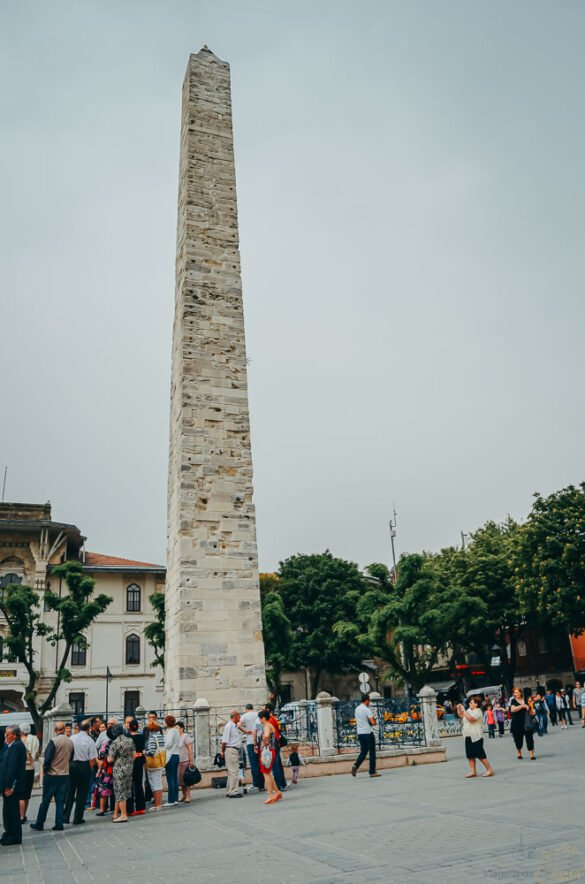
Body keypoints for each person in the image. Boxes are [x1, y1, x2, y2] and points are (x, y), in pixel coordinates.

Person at [30, 721, 73, 832]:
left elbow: (48, 758)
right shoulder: (70, 742)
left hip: (52, 775)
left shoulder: (53, 741)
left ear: (55, 730)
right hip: (64, 774)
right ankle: (59, 823)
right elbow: (71, 757)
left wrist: (45, 770)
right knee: (60, 801)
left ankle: (40, 823)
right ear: (64, 729)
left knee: (45, 800)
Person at [64, 719, 97, 825]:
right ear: (89, 728)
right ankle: (77, 817)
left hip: (72, 765)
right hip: (84, 766)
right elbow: (92, 759)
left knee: (70, 792)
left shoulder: (72, 738)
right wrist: (90, 770)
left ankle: (65, 816)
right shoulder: (90, 740)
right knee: (82, 793)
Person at [0, 726, 26, 845]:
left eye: (8, 735)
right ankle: (9, 833)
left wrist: (9, 786)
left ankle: (13, 835)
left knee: (11, 812)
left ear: (14, 735)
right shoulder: (15, 745)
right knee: (8, 811)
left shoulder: (16, 746)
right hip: (10, 785)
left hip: (11, 786)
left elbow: (13, 768)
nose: (6, 738)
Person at [457, 698, 495, 778]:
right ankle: (473, 771)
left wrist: (464, 710)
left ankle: (489, 769)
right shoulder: (469, 711)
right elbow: (461, 715)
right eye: (470, 703)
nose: (470, 704)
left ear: (476, 704)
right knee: (470, 755)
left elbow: (471, 719)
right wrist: (459, 708)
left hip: (476, 736)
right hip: (468, 735)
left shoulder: (478, 711)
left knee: (480, 754)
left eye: (471, 703)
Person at [108, 723, 135, 823]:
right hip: (129, 768)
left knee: (119, 792)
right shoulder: (130, 740)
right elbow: (134, 755)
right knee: (123, 791)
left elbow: (110, 759)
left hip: (119, 769)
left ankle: (123, 815)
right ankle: (116, 813)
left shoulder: (115, 743)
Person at [351, 694, 381, 779]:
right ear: (367, 700)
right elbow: (373, 722)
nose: (369, 702)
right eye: (369, 701)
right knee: (372, 752)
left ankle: (356, 766)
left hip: (360, 733)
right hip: (368, 733)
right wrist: (372, 721)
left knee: (363, 752)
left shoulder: (357, 709)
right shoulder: (367, 709)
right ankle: (372, 771)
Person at [258, 709, 282, 805]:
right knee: (268, 773)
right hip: (270, 750)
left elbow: (266, 736)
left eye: (260, 718)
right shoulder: (269, 725)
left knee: (266, 773)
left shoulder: (267, 726)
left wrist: (264, 742)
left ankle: (270, 795)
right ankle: (277, 792)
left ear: (263, 718)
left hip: (266, 751)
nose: (259, 720)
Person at [264, 703, 287, 791]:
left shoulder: (269, 720)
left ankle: (278, 785)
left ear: (267, 710)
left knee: (275, 765)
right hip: (276, 741)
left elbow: (269, 733)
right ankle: (282, 783)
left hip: (273, 742)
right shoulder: (273, 718)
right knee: (278, 764)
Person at [19, 723, 39, 822]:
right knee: (27, 794)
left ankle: (21, 816)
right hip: (31, 768)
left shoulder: (20, 742)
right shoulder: (34, 740)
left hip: (22, 768)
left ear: (21, 731)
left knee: (21, 794)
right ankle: (24, 814)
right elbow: (36, 754)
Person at [145, 719, 166, 811]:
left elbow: (152, 751)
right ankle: (159, 804)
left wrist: (145, 752)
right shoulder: (161, 736)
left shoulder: (153, 738)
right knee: (159, 783)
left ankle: (157, 804)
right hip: (160, 762)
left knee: (154, 784)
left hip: (153, 764)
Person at [509, 687, 536, 760]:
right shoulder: (513, 701)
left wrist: (532, 713)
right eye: (515, 692)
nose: (516, 694)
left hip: (526, 723)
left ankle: (531, 754)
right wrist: (523, 706)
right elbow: (513, 709)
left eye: (517, 692)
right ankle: (519, 751)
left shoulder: (526, 700)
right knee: (518, 739)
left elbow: (531, 711)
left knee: (529, 738)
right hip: (517, 723)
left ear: (521, 693)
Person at [221, 710, 243, 798]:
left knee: (231, 772)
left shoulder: (234, 726)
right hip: (231, 750)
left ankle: (229, 790)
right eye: (239, 716)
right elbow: (224, 741)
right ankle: (233, 791)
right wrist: (222, 751)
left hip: (233, 750)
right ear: (235, 716)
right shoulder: (229, 726)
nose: (240, 717)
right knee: (234, 771)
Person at [241, 704, 262, 792]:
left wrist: (246, 731)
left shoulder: (245, 716)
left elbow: (238, 725)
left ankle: (256, 783)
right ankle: (262, 784)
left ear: (246, 709)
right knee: (260, 763)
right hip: (258, 740)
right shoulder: (257, 715)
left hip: (250, 741)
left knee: (253, 764)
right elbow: (259, 728)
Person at [127, 719, 146, 816]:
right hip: (139, 761)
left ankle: (130, 809)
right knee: (138, 784)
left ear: (129, 727)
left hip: (130, 761)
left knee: (129, 785)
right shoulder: (141, 737)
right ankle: (140, 807)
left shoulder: (127, 737)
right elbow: (143, 749)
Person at [164, 715, 180, 806]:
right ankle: (175, 798)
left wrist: (162, 747)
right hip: (176, 755)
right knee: (174, 778)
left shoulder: (170, 731)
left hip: (170, 755)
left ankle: (171, 800)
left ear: (167, 722)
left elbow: (169, 744)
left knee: (170, 778)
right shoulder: (176, 731)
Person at [177, 721, 194, 803]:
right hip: (178, 761)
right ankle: (183, 795)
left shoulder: (186, 736)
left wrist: (191, 760)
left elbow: (190, 749)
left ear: (182, 728)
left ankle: (188, 796)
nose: (176, 729)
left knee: (186, 780)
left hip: (185, 761)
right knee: (180, 780)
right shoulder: (176, 737)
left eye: (177, 728)